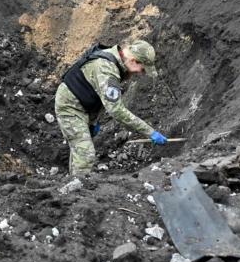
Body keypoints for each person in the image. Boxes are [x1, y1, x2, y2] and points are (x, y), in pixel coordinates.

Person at [54, 39, 167, 176]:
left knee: (81, 149)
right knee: (86, 154)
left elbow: (99, 95)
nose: (140, 73)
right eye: (142, 69)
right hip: (70, 106)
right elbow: (116, 109)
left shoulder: (116, 61)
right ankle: (77, 189)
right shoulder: (107, 69)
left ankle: (75, 180)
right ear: (133, 60)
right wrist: (150, 132)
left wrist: (93, 121)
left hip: (83, 105)